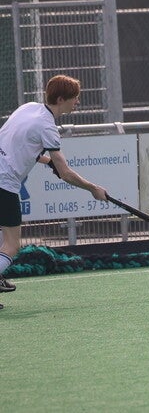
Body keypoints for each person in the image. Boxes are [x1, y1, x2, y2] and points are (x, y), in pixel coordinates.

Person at [0, 75, 108, 309]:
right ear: (60, 99)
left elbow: (20, 144)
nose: (77, 102)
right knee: (12, 245)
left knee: (2, 237)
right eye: (74, 98)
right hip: (4, 184)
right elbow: (66, 173)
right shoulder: (47, 126)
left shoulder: (28, 108)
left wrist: (48, 162)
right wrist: (93, 189)